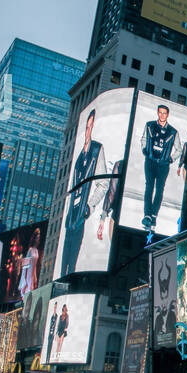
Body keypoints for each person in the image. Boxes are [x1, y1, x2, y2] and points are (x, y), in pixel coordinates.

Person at [60, 108, 116, 278]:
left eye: (91, 126)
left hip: (80, 217)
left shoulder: (97, 150)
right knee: (63, 265)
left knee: (72, 264)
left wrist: (89, 207)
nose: (88, 130)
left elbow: (104, 183)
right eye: (87, 126)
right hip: (70, 217)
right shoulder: (79, 155)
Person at [141, 103, 179, 230]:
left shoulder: (173, 132)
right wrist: (144, 149)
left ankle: (153, 215)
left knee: (159, 189)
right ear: (158, 113)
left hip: (163, 164)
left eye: (164, 113)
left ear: (167, 115)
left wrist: (171, 159)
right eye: (160, 112)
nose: (162, 115)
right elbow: (143, 139)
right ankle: (147, 215)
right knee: (149, 187)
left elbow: (179, 149)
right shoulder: (149, 125)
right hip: (150, 160)